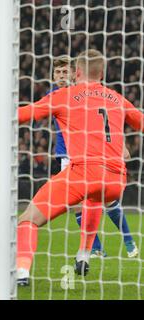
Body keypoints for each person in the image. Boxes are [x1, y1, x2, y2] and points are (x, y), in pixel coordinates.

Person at [0, 49, 144, 286]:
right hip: (116, 179)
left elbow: (23, 114)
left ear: (77, 72)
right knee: (94, 199)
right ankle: (84, 254)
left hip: (83, 172)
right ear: (102, 73)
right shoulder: (117, 98)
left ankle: (19, 273)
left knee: (28, 219)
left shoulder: (66, 95)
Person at [51, 56, 138, 258]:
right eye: (58, 72)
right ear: (53, 76)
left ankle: (128, 240)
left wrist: (120, 145)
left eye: (65, 72)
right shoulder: (54, 95)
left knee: (106, 200)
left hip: (92, 154)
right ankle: (97, 248)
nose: (62, 76)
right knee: (76, 204)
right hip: (67, 156)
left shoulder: (83, 94)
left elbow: (102, 118)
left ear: (74, 73)